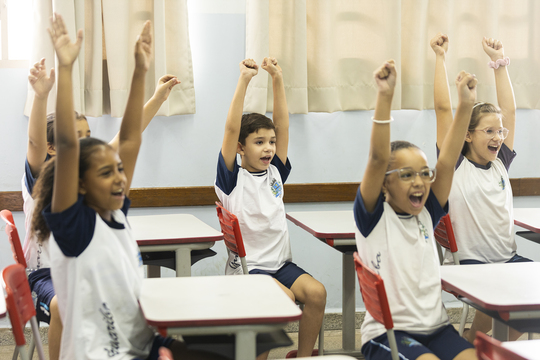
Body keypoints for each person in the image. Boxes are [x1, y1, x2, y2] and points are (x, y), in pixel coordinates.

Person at [31, 14, 220, 360]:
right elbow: (69, 147)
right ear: (81, 185)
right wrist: (67, 68)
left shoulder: (113, 215)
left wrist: (140, 72)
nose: (120, 177)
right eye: (106, 173)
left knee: (229, 345)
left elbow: (131, 139)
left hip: (140, 345)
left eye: (119, 170)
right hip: (101, 354)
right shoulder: (76, 228)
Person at [23, 51, 179, 360]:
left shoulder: (110, 205)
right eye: (77, 139)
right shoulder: (66, 210)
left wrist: (144, 80)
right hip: (56, 284)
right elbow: (53, 146)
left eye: (89, 137)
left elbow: (129, 138)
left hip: (126, 334)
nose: (119, 177)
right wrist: (48, 89)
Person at [354, 59, 477, 360]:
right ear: (384, 184)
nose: (419, 182)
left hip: (437, 328)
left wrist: (466, 105)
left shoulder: (427, 212)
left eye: (424, 173)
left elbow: (447, 161)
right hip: (389, 334)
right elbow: (377, 158)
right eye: (406, 175)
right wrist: (385, 97)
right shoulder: (372, 217)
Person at [214, 58, 326, 358]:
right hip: (250, 271)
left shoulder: (276, 172)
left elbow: (283, 124)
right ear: (240, 147)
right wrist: (244, 79)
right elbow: (229, 128)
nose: (268, 148)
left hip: (281, 265)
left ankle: (302, 357)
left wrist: (277, 77)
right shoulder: (231, 179)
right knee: (284, 300)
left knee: (316, 293)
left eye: (271, 142)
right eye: (259, 142)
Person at [431, 33, 531, 343]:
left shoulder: (500, 161)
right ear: (468, 135)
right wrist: (440, 58)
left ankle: (485, 346)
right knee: (505, 302)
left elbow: (510, 112)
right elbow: (443, 111)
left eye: (500, 131)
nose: (498, 137)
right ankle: (481, 346)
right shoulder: (455, 165)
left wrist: (499, 63)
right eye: (489, 131)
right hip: (472, 263)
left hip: (506, 258)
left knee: (529, 304)